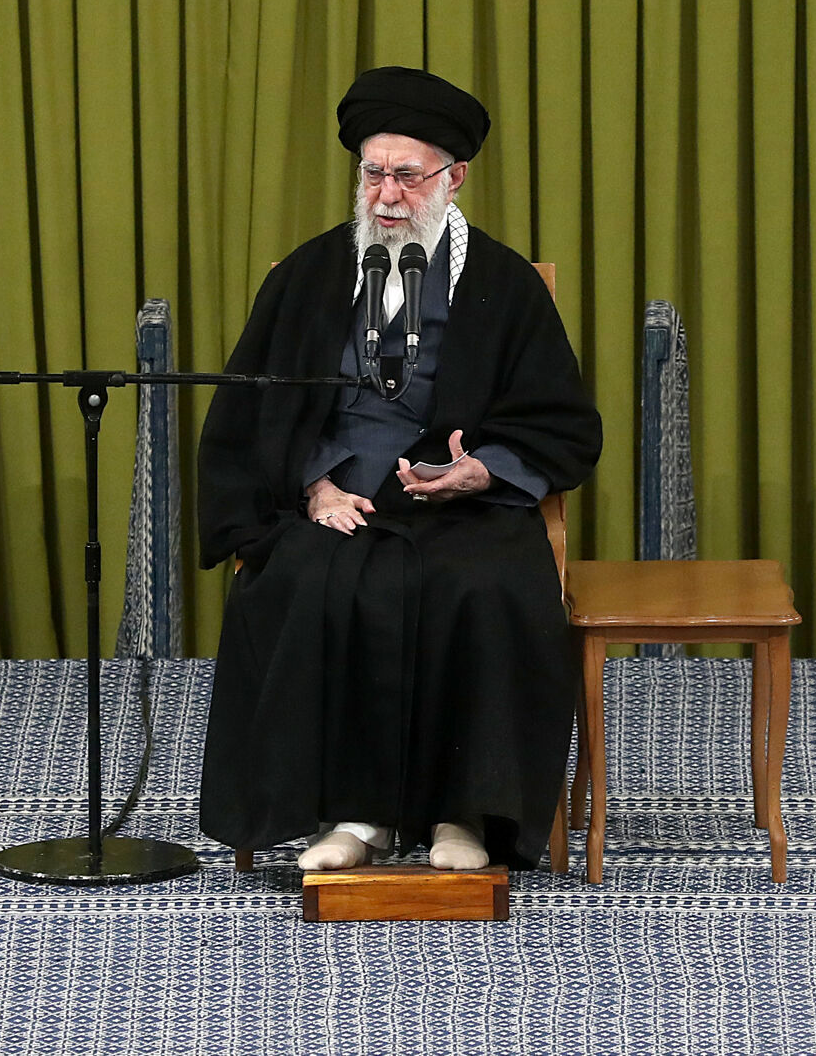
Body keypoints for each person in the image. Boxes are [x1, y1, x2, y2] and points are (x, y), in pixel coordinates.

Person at [195, 66, 602, 873]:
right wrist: (315, 484)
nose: (387, 195)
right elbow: (257, 407)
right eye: (373, 173)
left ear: (454, 177)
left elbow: (560, 419)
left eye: (407, 175)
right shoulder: (309, 275)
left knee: (484, 586)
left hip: (461, 506)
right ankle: (357, 815)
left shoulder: (504, 284)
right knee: (312, 578)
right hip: (337, 497)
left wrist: (481, 472)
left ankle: (464, 815)